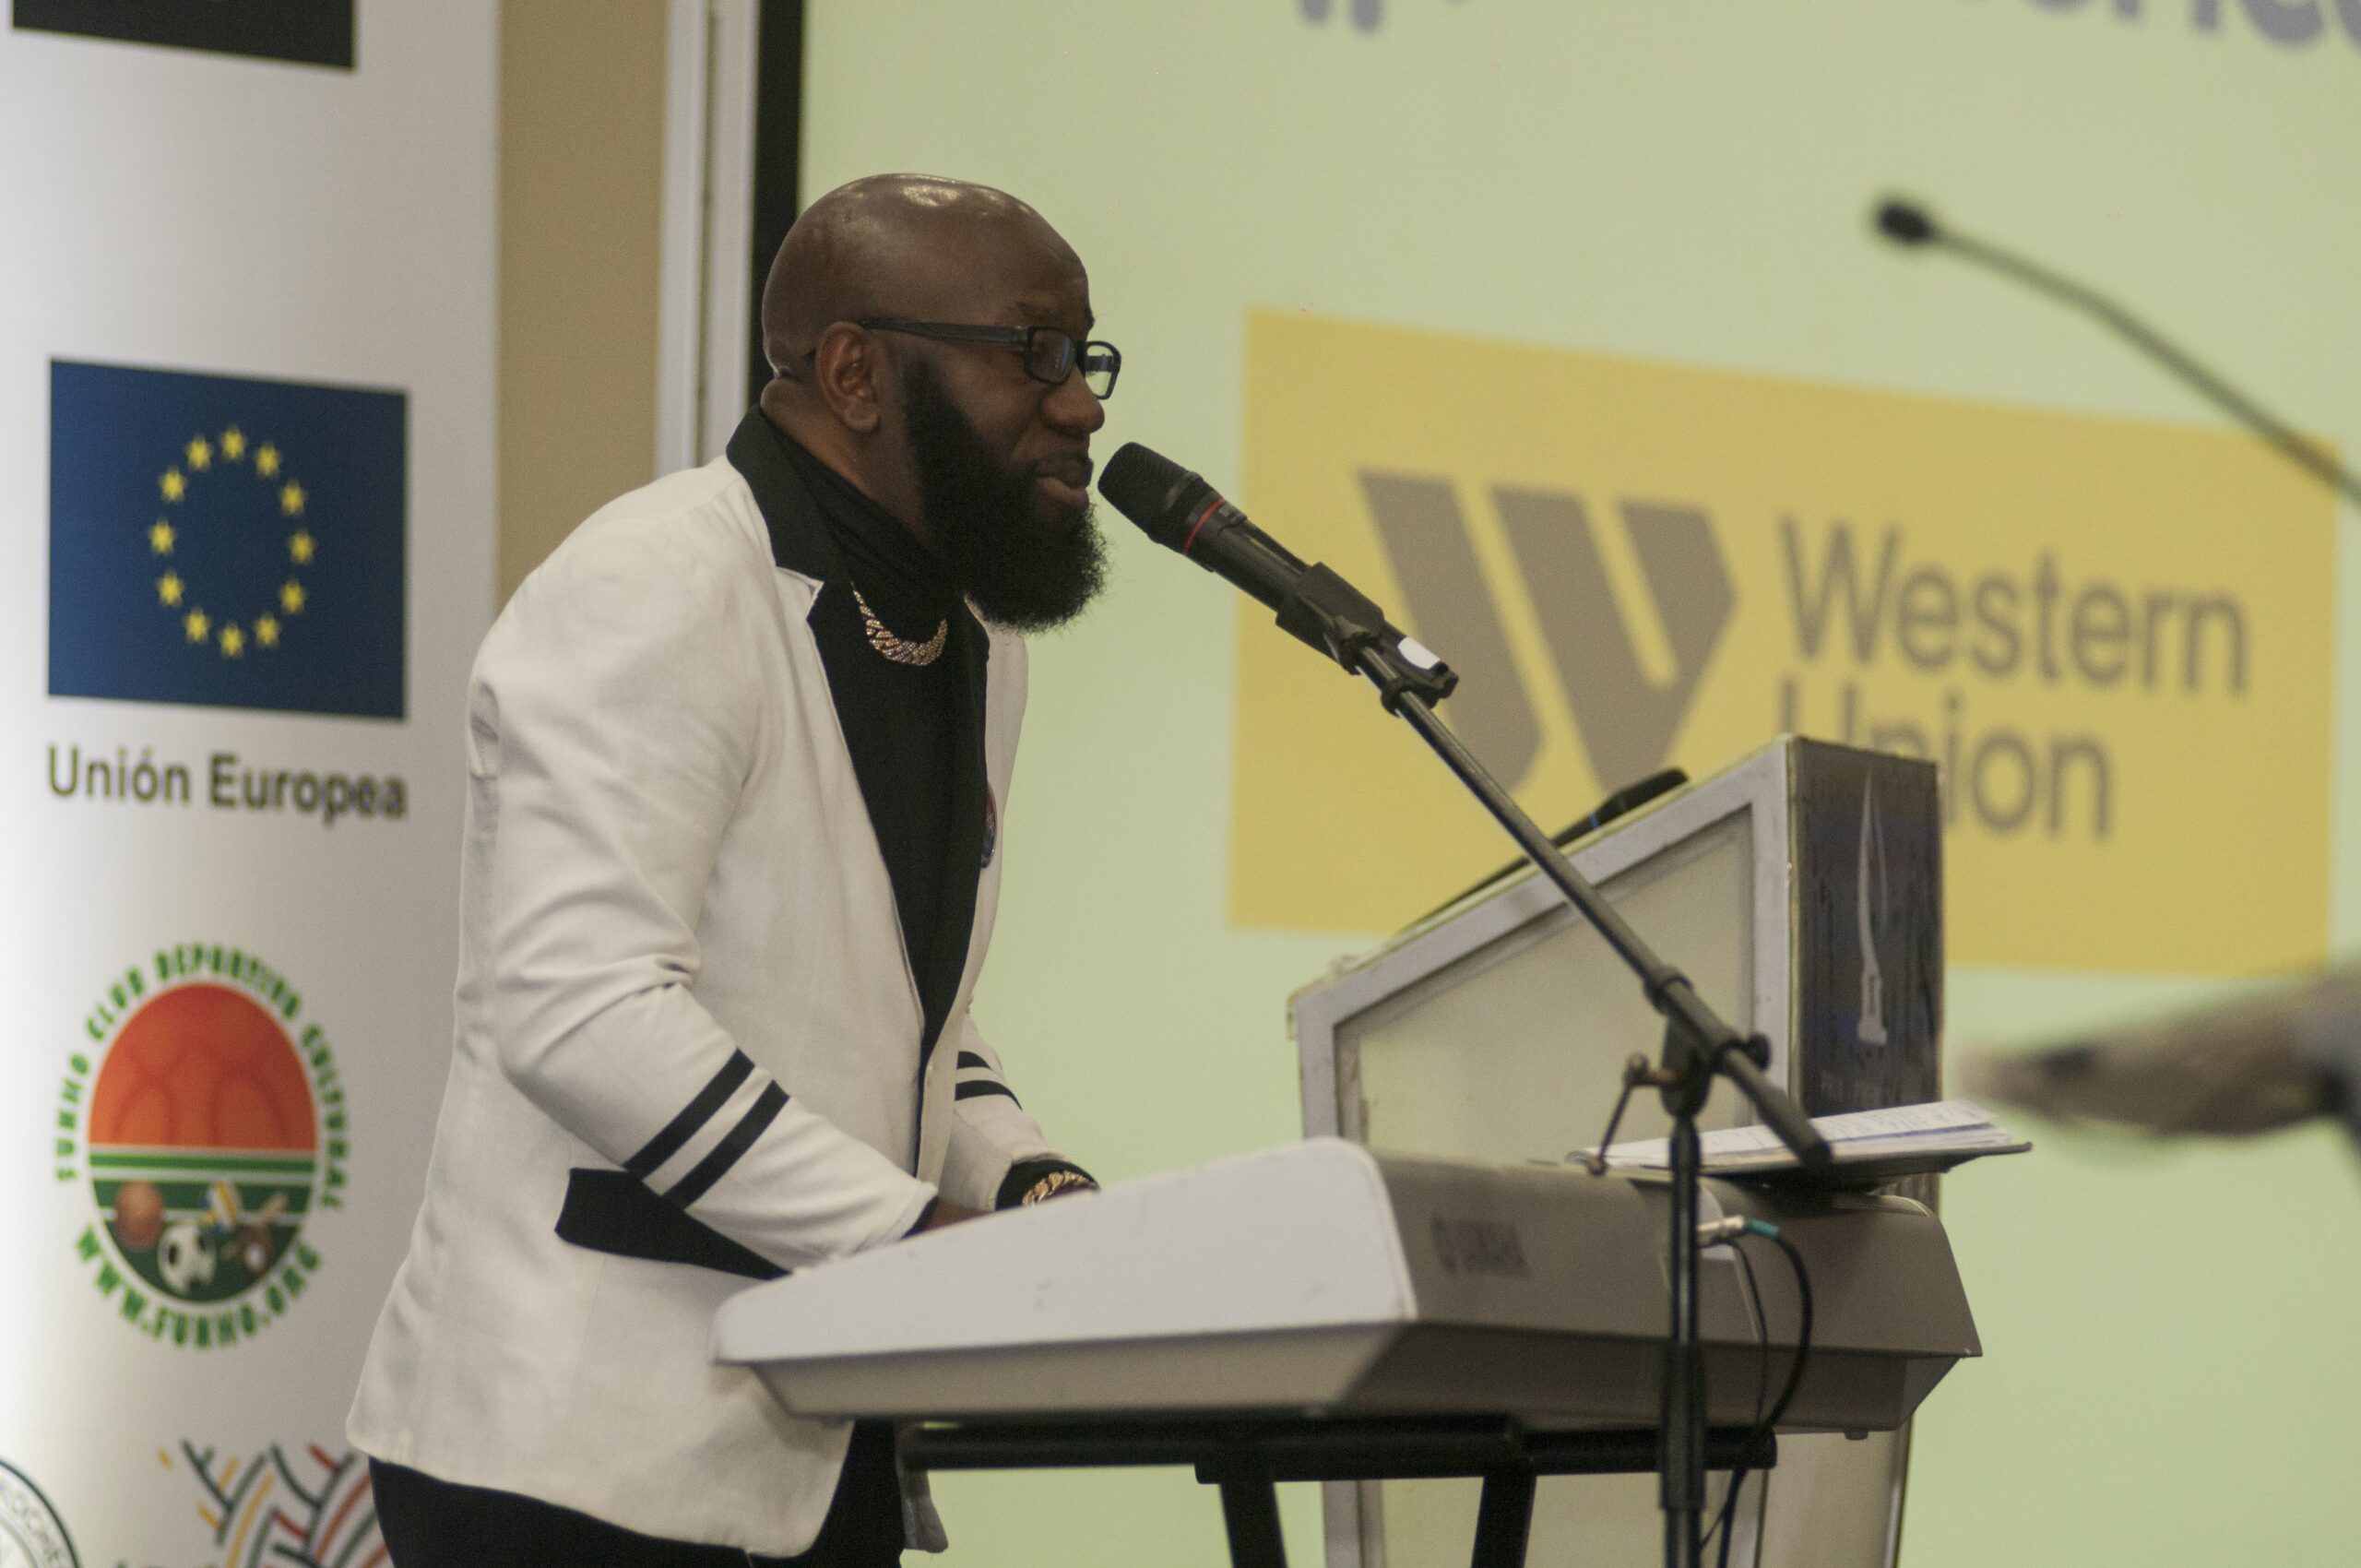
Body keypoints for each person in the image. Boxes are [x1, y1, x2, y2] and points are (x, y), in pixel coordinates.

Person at [348, 173, 1117, 1565]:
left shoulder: (976, 643)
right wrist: (910, 1242)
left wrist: (1029, 1190)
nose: (1081, 406)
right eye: (1034, 354)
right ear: (854, 373)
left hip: (813, 1451)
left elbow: (894, 1014)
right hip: (577, 1457)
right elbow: (582, 1011)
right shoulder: (657, 582)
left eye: (1085, 357)